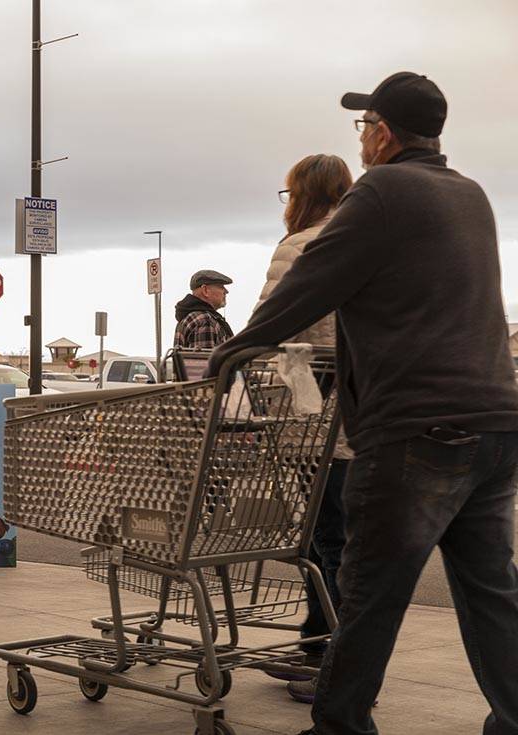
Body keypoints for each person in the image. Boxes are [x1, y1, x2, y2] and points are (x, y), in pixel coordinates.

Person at [208, 72, 518, 735]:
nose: (363, 141)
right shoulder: (472, 194)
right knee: (492, 590)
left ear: (381, 135)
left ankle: (339, 725)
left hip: (416, 429)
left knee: (370, 589)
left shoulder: (383, 191)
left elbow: (314, 279)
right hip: (495, 426)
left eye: (365, 127)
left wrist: (236, 348)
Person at [253, 154, 355, 702]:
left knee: (326, 536)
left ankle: (332, 658)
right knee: (339, 535)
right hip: (365, 412)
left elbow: (267, 324)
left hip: (312, 417)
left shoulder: (300, 246)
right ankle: (318, 641)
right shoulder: (372, 241)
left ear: (301, 196)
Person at [173, 270, 234, 349]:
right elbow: (204, 360)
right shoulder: (204, 320)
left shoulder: (189, 317)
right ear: (205, 290)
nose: (226, 291)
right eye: (221, 287)